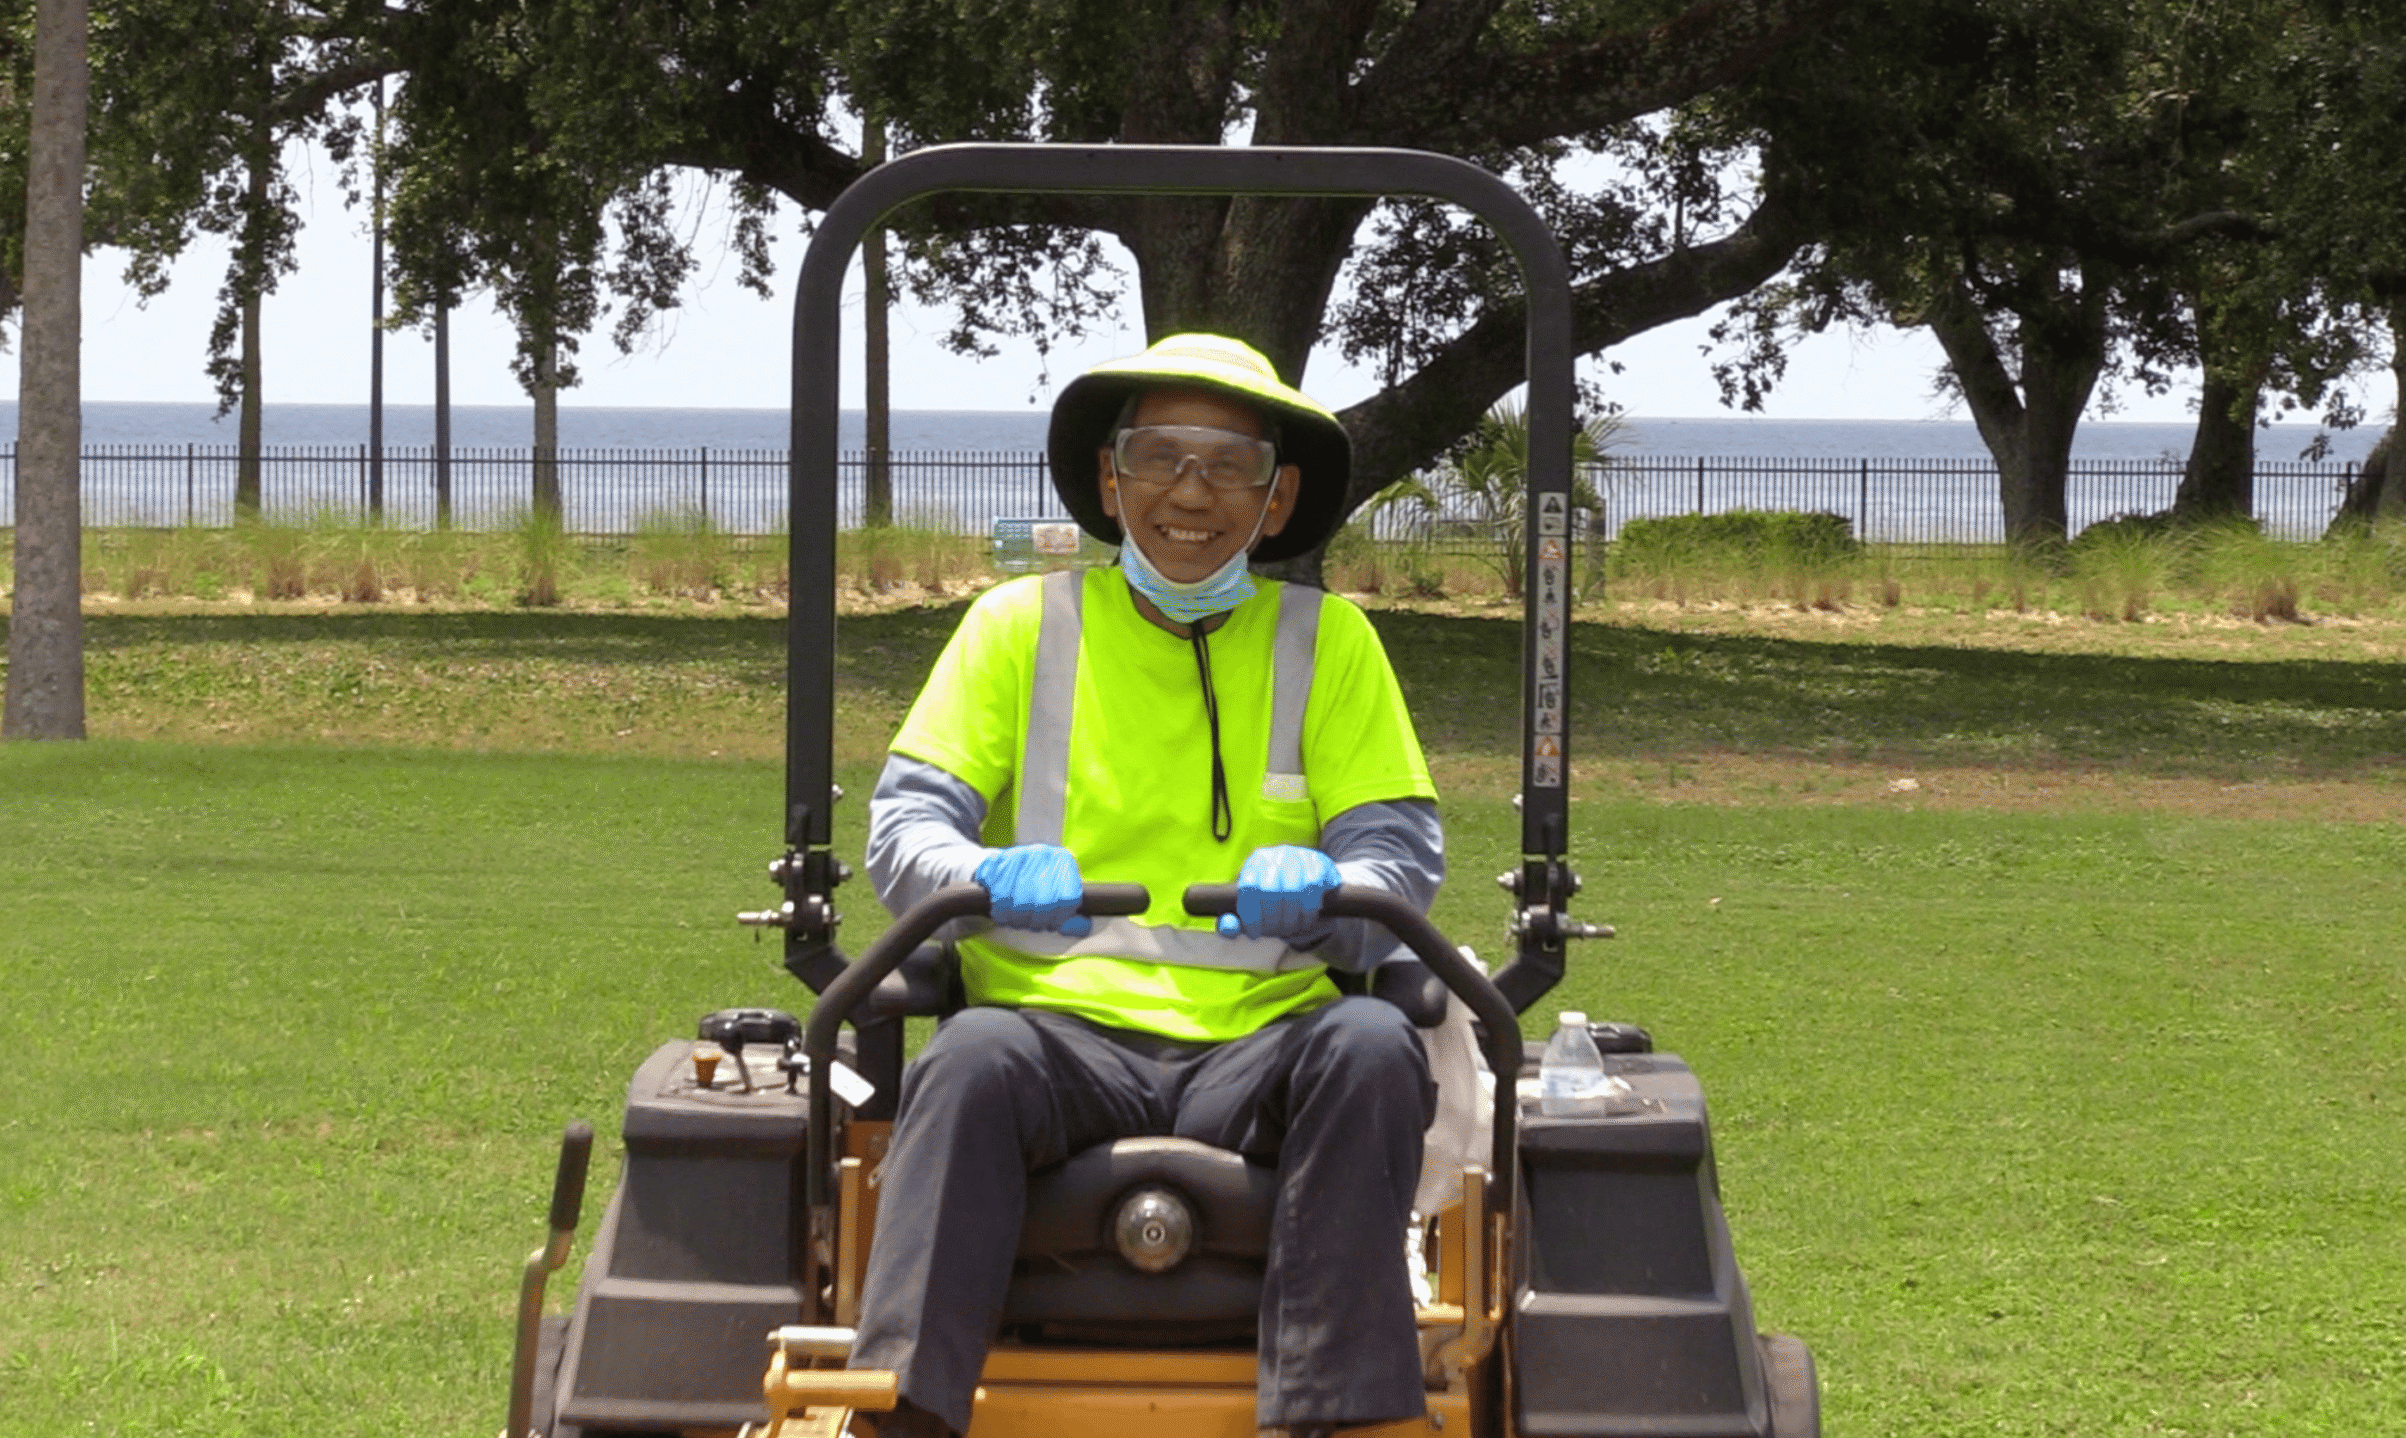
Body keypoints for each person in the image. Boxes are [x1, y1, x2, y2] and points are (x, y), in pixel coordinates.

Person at [852, 333, 1445, 1438]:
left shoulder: (1332, 643)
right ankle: (903, 1416)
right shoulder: (1017, 628)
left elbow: (1400, 860)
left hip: (1262, 1049)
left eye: (1228, 465)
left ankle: (1333, 1419)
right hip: (1053, 1037)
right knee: (965, 1058)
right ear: (1111, 478)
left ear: (1277, 501)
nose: (1191, 491)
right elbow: (902, 830)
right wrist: (979, 871)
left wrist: (1334, 885)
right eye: (1162, 456)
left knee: (1373, 1046)